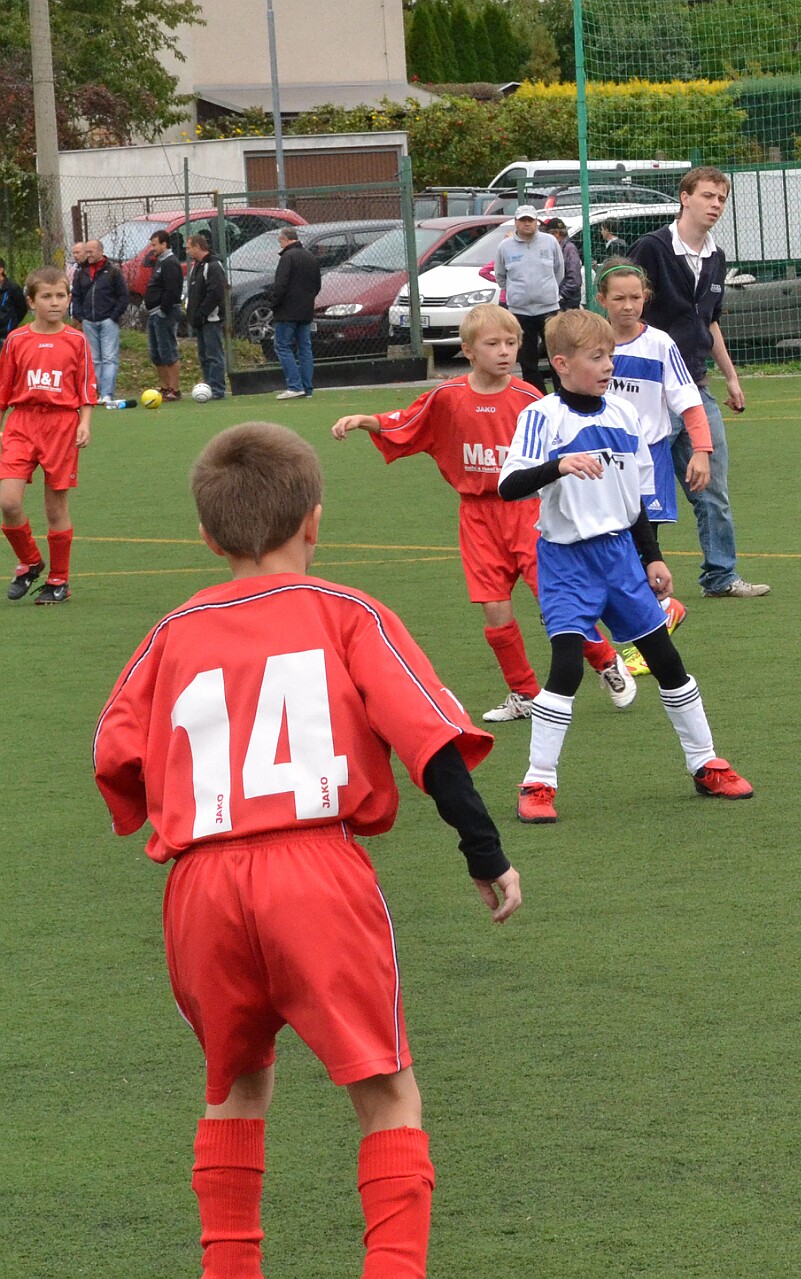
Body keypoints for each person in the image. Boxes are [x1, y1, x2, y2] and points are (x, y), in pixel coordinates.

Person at [92, 421, 521, 1279]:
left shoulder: (170, 632)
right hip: (314, 869)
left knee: (234, 1084)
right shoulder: (347, 612)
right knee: (386, 1091)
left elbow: (115, 753)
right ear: (314, 519)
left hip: (200, 883)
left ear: (208, 535)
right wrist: (485, 854)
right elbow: (431, 743)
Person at [496, 309, 754, 823]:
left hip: (620, 558)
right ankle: (538, 782)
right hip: (566, 561)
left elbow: (636, 498)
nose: (608, 365)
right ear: (561, 364)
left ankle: (706, 763)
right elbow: (508, 486)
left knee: (667, 661)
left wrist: (652, 556)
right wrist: (558, 465)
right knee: (567, 668)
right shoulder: (542, 417)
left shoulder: (624, 415)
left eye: (610, 355)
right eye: (597, 358)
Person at [330, 303, 631, 720]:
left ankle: (606, 661)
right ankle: (524, 692)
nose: (504, 351)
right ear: (468, 351)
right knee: (494, 608)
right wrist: (366, 420)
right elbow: (407, 421)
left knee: (555, 602)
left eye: (511, 342)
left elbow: (559, 450)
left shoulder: (530, 398)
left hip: (528, 512)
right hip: (477, 517)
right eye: (492, 344)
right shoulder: (447, 397)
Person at [630, 166, 768, 599]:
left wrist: (731, 377)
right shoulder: (651, 249)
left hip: (695, 388)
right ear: (684, 197)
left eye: (722, 199)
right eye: (708, 196)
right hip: (649, 394)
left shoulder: (716, 257)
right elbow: (623, 310)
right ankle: (637, 581)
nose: (716, 205)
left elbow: (709, 322)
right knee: (641, 493)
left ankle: (720, 576)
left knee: (713, 487)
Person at [593, 260, 713, 676]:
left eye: (636, 297)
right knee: (611, 551)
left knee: (643, 549)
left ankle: (657, 624)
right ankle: (656, 617)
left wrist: (702, 450)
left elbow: (688, 400)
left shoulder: (659, 344)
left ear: (646, 298)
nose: (628, 306)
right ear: (602, 300)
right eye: (619, 298)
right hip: (601, 464)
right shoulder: (591, 344)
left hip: (647, 461)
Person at [0, 266, 94, 605]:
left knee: (56, 508)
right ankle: (30, 561)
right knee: (8, 502)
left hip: (61, 426)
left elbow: (86, 388)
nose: (55, 303)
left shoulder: (77, 340)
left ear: (68, 299)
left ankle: (59, 580)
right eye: (46, 296)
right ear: (31, 301)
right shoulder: (16, 340)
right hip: (22, 424)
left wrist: (84, 423)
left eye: (60, 296)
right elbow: (3, 389)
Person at [493, 207, 568, 393]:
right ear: (516, 222)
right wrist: (516, 294)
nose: (527, 224)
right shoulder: (504, 247)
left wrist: (548, 292)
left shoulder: (550, 242)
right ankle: (536, 396)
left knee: (557, 355)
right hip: (519, 311)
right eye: (523, 220)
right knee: (527, 360)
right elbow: (501, 276)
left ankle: (562, 395)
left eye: (530, 220)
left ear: (536, 222)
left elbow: (559, 270)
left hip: (549, 309)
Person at [265, 228, 319, 400]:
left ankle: (295, 386)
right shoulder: (310, 257)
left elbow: (280, 285)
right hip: (306, 310)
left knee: (282, 346)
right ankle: (307, 388)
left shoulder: (287, 257)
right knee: (304, 348)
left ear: (285, 239)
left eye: (280, 241)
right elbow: (317, 285)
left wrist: (274, 304)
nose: (280, 245)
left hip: (287, 311)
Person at [70, 240, 125, 405]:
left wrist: (113, 316)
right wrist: (81, 316)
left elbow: (123, 296)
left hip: (108, 320)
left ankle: (107, 393)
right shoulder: (82, 272)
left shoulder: (113, 271)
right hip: (89, 321)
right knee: (94, 359)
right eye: (86, 252)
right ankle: (99, 392)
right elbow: (76, 296)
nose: (88, 255)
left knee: (109, 357)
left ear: (100, 251)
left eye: (91, 251)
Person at [184, 231, 230, 397]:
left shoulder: (213, 265)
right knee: (203, 355)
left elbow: (216, 294)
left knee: (214, 354)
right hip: (200, 319)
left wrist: (202, 312)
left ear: (197, 247)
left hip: (211, 319)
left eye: (189, 248)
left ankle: (218, 389)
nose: (187, 251)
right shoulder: (197, 266)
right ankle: (209, 387)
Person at [142, 229, 185, 401]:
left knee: (168, 351)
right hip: (154, 313)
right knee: (156, 353)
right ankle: (165, 387)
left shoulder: (170, 263)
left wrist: (163, 310)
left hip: (164, 313)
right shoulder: (159, 262)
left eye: (154, 245)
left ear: (164, 244)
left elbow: (172, 290)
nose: (152, 248)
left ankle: (174, 389)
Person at [545, 217, 582, 313]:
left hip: (567, 302)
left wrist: (560, 295)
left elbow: (574, 279)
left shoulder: (569, 248)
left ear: (556, 233)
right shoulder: (557, 248)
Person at [0, 261, 27, 333]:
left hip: (6, 333)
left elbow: (22, 308)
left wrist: (11, 323)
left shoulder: (13, 288)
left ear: (1, 269)